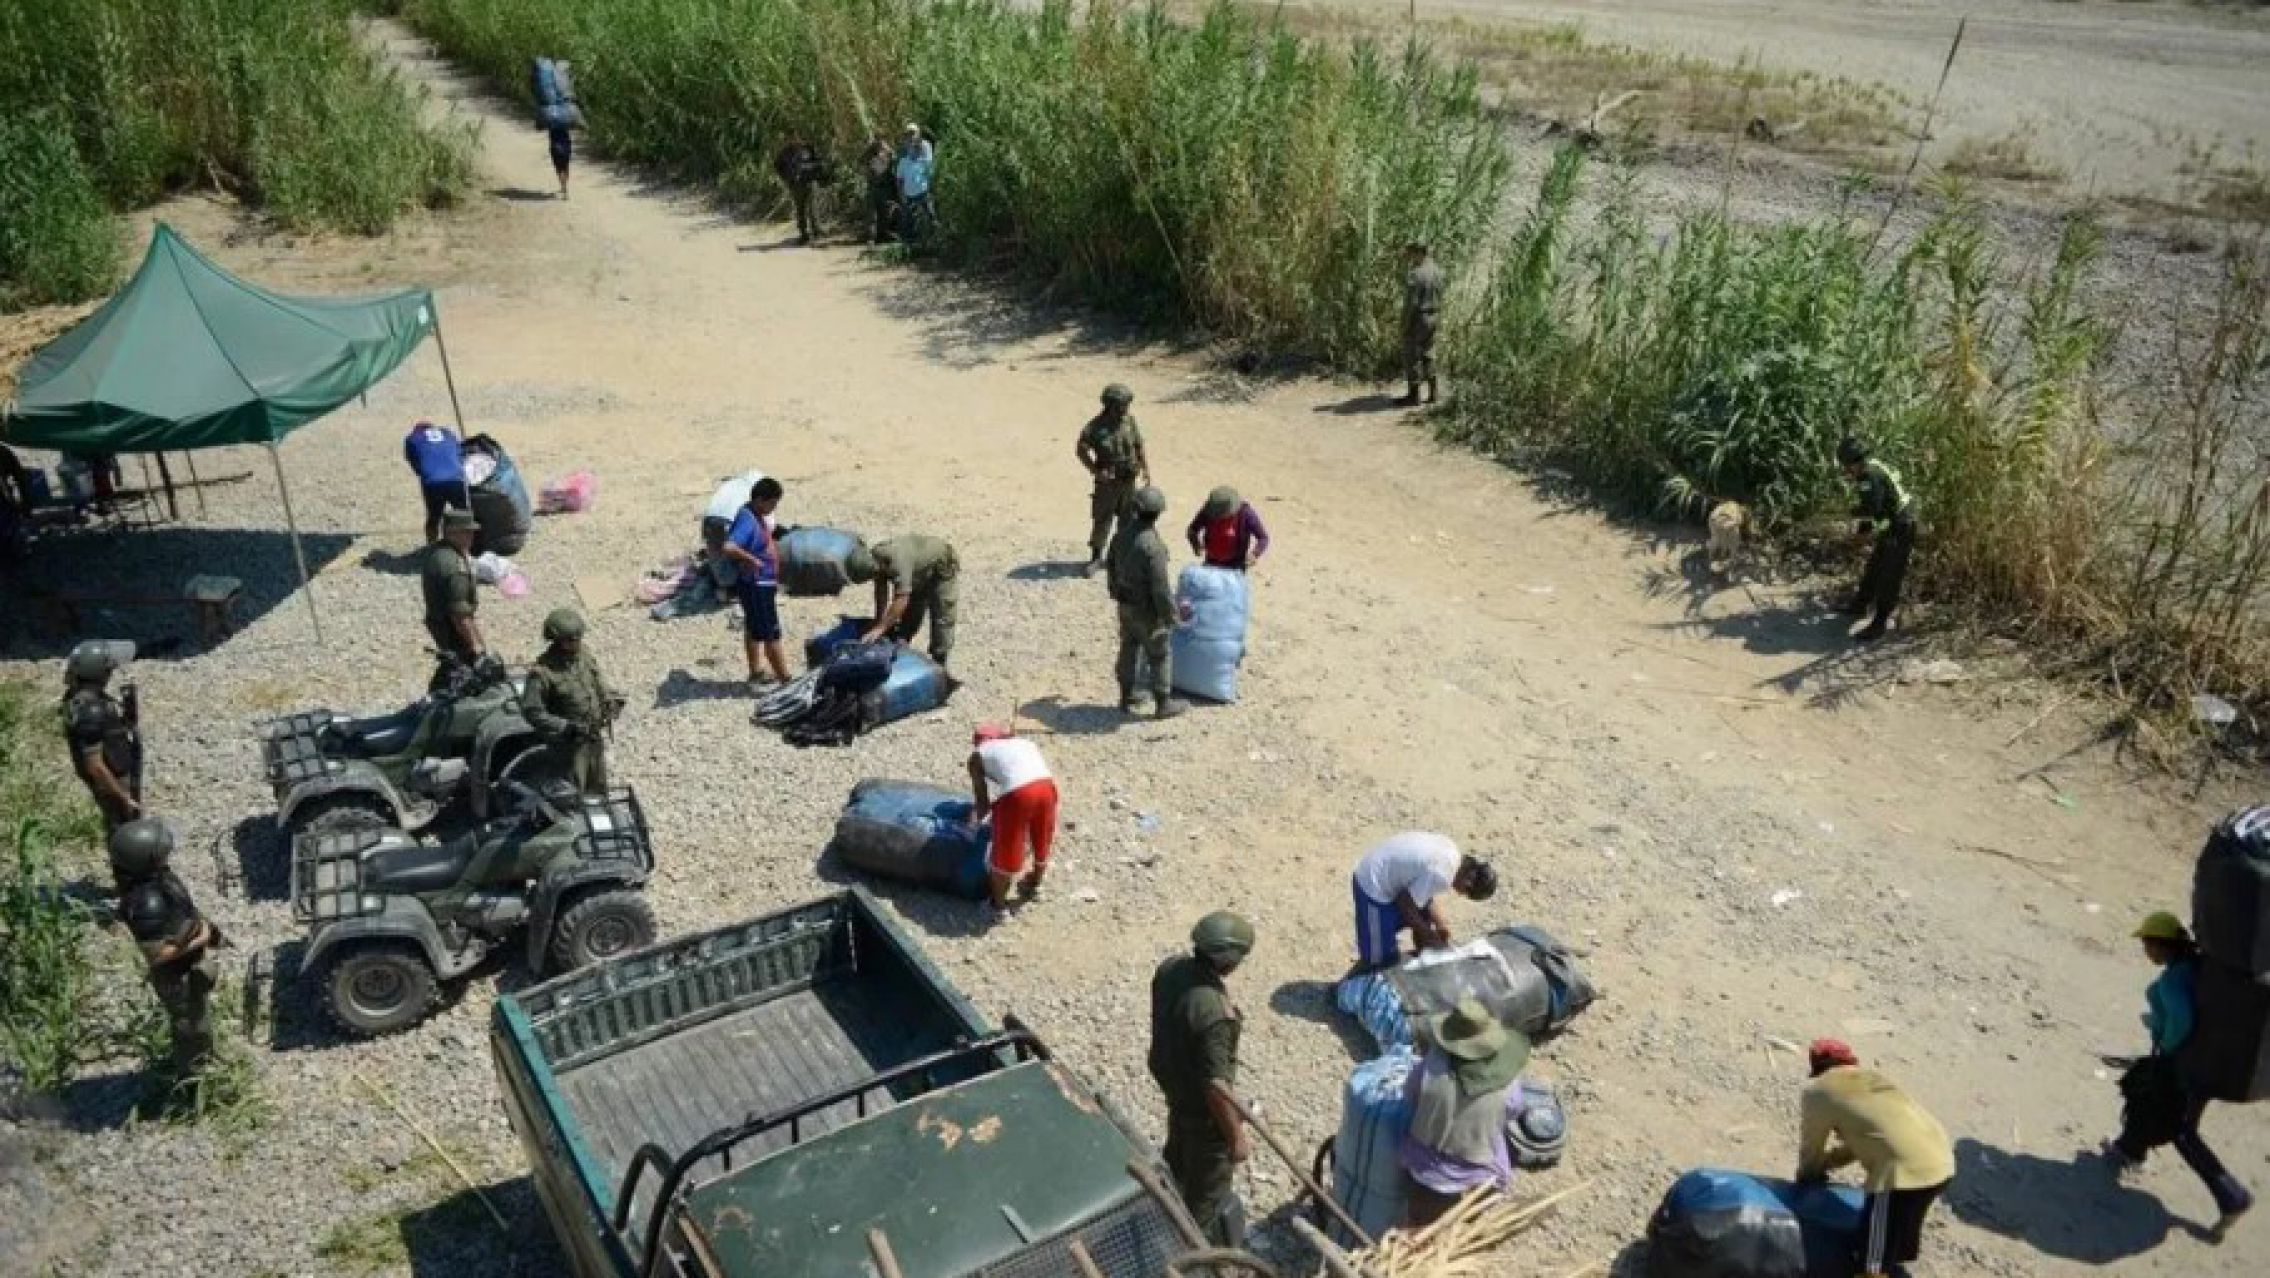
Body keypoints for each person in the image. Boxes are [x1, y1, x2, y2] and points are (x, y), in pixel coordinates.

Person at [2103, 912, 2254, 1235]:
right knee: (2147, 1096)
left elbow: (2181, 1021)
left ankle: (2232, 1196)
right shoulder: (2196, 966)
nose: (2146, 952)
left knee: (2181, 1128)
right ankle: (2127, 1149)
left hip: (2191, 1064)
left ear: (2159, 945)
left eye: (2147, 944)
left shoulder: (2172, 980)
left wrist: (2166, 1047)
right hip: (2219, 1059)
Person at [1796, 1038, 1956, 1278]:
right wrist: (1830, 1162)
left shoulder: (1818, 1091)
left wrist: (1808, 1175)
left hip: (1902, 1175)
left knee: (1872, 1259)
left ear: (1817, 1067)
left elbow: (1812, 1147)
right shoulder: (1872, 1079)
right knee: (1894, 1232)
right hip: (1941, 1161)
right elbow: (1871, 1137)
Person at [1148, 911, 1256, 1246]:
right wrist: (1236, 1138)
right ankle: (1191, 1251)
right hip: (1204, 1116)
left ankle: (1162, 1212)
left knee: (1177, 1158)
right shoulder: (1215, 1014)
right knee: (1205, 1200)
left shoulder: (1171, 969)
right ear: (1228, 961)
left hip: (1175, 1090)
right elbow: (1215, 1086)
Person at [1400, 998, 1530, 1226]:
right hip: (1471, 1174)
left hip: (1422, 1169)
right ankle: (1479, 1207)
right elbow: (1514, 1111)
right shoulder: (1507, 1085)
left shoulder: (1431, 1066)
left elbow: (1409, 1095)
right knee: (1497, 1142)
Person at [111, 819, 218, 1084]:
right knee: (191, 1028)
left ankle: (202, 1064)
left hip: (187, 968)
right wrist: (201, 936)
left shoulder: (155, 879)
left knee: (199, 1019)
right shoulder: (147, 903)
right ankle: (193, 1081)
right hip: (177, 979)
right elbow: (157, 954)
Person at [1350, 831, 1498, 971]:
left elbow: (1425, 896)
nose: (1459, 893)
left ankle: (1426, 956)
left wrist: (1441, 924)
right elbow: (1405, 904)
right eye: (1464, 893)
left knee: (1424, 916)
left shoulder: (1452, 853)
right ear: (1468, 883)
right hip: (1373, 885)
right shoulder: (1443, 874)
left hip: (1389, 873)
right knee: (1379, 959)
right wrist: (1430, 936)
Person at [523, 609, 622, 794]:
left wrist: (609, 699)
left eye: (578, 638)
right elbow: (532, 711)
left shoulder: (583, 656)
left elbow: (597, 678)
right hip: (568, 747)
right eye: (570, 639)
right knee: (571, 793)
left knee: (597, 788)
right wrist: (565, 726)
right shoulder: (543, 672)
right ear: (556, 640)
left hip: (593, 738)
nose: (576, 643)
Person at [1107, 486, 1185, 720]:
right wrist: (1171, 617)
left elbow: (1110, 567)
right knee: (1160, 653)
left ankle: (1125, 696)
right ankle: (1163, 703)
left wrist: (1114, 592)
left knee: (1128, 648)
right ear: (1158, 514)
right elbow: (1160, 589)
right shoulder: (1153, 547)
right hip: (1147, 611)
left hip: (1125, 605)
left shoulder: (1120, 536)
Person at [968, 724, 1059, 912]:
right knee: (1041, 835)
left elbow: (982, 803)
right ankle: (1035, 881)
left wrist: (975, 824)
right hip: (1047, 786)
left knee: (1006, 848)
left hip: (1018, 794)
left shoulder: (976, 756)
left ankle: (997, 905)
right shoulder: (1024, 742)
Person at [1838, 436, 1918, 644]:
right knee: (1874, 567)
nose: (1847, 472)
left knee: (1889, 576)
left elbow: (1870, 509)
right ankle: (1859, 605)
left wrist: (1850, 514)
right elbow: (1874, 512)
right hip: (1894, 522)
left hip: (1901, 525)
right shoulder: (1872, 467)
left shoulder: (1867, 476)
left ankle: (1879, 623)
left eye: (1847, 467)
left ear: (1853, 462)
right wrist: (1862, 533)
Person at [62, 640, 141, 838]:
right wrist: (124, 798)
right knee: (125, 830)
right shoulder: (91, 711)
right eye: (109, 670)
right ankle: (129, 861)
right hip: (114, 778)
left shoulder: (83, 700)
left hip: (116, 765)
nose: (111, 672)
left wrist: (126, 718)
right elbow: (95, 766)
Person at [847, 534, 960, 669]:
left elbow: (901, 599)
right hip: (917, 571)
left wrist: (880, 629)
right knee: (911, 613)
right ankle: (902, 645)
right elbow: (881, 591)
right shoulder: (875, 559)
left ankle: (940, 660)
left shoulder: (896, 563)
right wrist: (878, 621)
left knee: (942, 615)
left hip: (941, 568)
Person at [720, 476, 791, 686]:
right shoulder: (747, 520)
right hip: (757, 585)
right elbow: (729, 547)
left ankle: (756, 672)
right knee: (771, 633)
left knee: (754, 628)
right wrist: (752, 560)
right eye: (772, 503)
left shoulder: (752, 514)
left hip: (759, 584)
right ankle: (785, 679)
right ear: (760, 500)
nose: (774, 508)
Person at [1076, 383, 1151, 576]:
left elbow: (1138, 445)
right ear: (1109, 405)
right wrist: (1095, 470)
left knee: (1128, 520)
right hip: (1107, 483)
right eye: (1121, 405)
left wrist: (1145, 468)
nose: (1125, 409)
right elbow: (1081, 450)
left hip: (1128, 481)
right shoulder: (1095, 427)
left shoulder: (1130, 422)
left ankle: (1120, 557)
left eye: (1126, 405)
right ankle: (1096, 557)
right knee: (1102, 520)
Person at [421, 508, 485, 672]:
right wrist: (477, 646)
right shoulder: (455, 567)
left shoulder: (435, 552)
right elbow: (460, 616)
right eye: (467, 532)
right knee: (464, 672)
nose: (472, 537)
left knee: (451, 666)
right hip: (451, 630)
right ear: (453, 533)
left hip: (438, 623)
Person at [402, 421, 468, 544]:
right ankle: (464, 547)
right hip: (456, 478)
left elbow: (415, 464)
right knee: (463, 516)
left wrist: (426, 473)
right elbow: (461, 454)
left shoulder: (412, 439)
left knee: (434, 516)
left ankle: (432, 546)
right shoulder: (448, 433)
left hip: (432, 481)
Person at [1400, 242, 1445, 406]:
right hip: (1434, 316)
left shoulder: (1416, 274)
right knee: (1429, 353)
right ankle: (1434, 394)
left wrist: (1404, 324)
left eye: (1411, 253)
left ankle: (1414, 396)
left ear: (1419, 253)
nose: (1410, 257)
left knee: (1412, 355)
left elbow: (1411, 303)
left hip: (1419, 317)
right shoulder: (1438, 271)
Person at [1185, 486, 1269, 570]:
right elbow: (1192, 530)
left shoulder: (1246, 514)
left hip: (1236, 565)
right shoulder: (1209, 511)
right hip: (1211, 562)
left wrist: (1254, 554)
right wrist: (1196, 545)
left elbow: (1263, 537)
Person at [774, 134, 826, 244]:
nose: (794, 140)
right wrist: (786, 178)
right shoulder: (785, 152)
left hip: (810, 183)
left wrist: (812, 171)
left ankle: (816, 232)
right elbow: (778, 166)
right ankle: (803, 234)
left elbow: (819, 163)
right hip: (796, 185)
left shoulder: (809, 148)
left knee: (813, 209)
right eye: (791, 138)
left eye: (796, 137)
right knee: (800, 210)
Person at [895, 123, 936, 242]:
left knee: (930, 216)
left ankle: (934, 240)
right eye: (908, 133)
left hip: (924, 191)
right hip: (909, 195)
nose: (910, 136)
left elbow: (929, 167)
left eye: (913, 133)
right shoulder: (904, 157)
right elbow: (899, 179)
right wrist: (901, 195)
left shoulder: (925, 147)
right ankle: (911, 243)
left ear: (918, 133)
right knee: (910, 220)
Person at [862, 136, 899, 244]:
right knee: (872, 215)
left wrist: (888, 148)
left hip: (885, 189)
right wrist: (870, 146)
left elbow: (896, 158)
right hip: (873, 189)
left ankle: (883, 235)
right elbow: (861, 160)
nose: (880, 146)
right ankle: (872, 237)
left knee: (885, 213)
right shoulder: (870, 157)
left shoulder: (888, 157)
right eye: (878, 144)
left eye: (881, 144)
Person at [548, 119, 575, 199]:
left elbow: (539, 126)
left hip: (555, 147)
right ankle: (565, 186)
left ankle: (563, 187)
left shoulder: (551, 121)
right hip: (566, 146)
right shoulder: (565, 120)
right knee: (566, 167)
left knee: (559, 168)